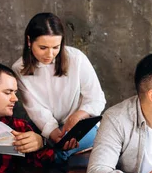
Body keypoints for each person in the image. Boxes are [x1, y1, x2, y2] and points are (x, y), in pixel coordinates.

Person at [12, 12, 106, 163]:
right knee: (27, 142)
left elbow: (97, 99)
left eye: (56, 47)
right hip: (43, 128)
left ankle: (52, 158)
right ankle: (52, 157)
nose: (50, 54)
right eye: (43, 47)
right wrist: (54, 132)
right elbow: (36, 110)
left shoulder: (76, 58)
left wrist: (78, 116)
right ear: (29, 41)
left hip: (80, 127)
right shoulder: (19, 68)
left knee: (65, 149)